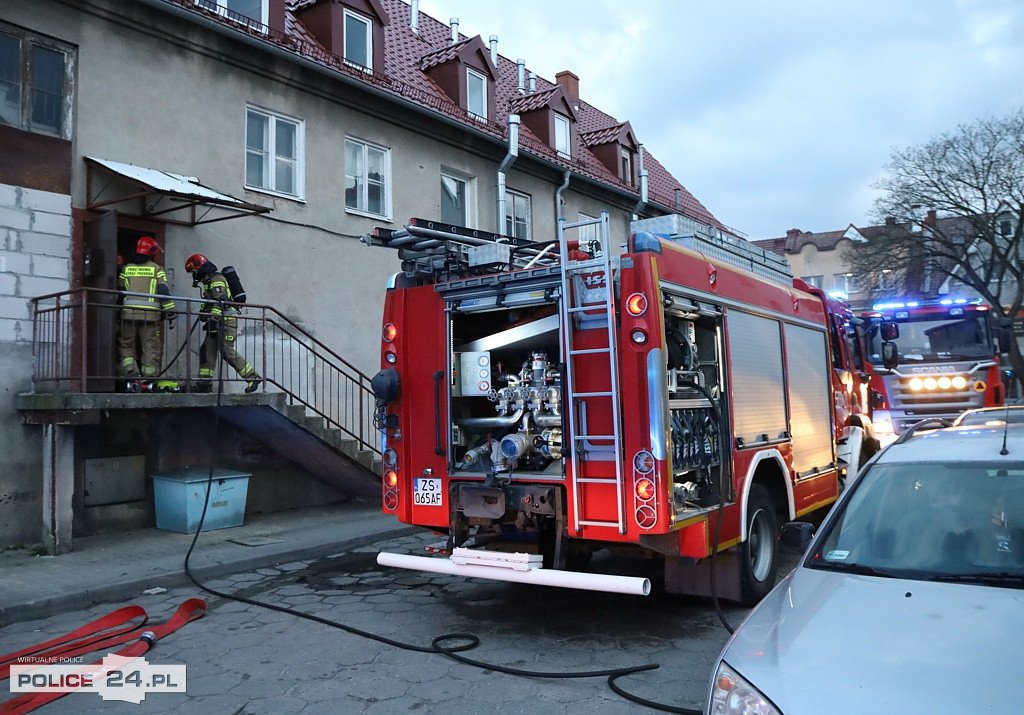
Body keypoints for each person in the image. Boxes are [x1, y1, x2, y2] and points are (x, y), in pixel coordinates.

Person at [184, 253, 261, 393]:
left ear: (199, 267)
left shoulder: (216, 279)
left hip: (226, 321)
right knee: (207, 350)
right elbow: (211, 302)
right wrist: (205, 315)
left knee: (226, 350)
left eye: (194, 272)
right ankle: (204, 383)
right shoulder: (208, 281)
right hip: (216, 321)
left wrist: (213, 318)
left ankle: (253, 377)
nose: (194, 275)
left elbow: (221, 300)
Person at [117, 236, 175, 391]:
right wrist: (171, 314)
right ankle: (149, 378)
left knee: (125, 344)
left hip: (128, 315)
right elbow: (163, 292)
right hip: (149, 316)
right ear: (152, 252)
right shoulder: (156, 269)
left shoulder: (126, 268)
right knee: (150, 347)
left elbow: (120, 291)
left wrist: (117, 312)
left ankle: (131, 373)